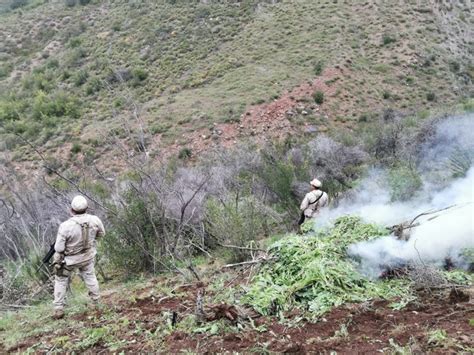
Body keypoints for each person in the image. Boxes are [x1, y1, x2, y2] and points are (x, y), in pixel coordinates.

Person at [52, 195, 105, 319]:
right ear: (87, 208)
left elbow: (59, 248)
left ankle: (59, 308)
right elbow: (101, 234)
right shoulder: (95, 220)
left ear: (72, 210)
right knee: (90, 277)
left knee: (60, 280)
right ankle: (95, 302)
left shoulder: (65, 226)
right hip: (88, 256)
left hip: (70, 260)